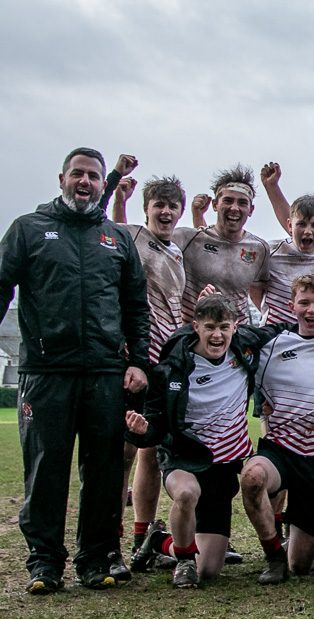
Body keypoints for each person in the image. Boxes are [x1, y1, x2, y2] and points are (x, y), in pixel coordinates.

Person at [0, 147, 150, 594]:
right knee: (45, 470)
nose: (85, 182)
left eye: (94, 177)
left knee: (104, 472)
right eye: (78, 174)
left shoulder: (117, 238)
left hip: (105, 372)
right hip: (46, 371)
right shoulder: (28, 229)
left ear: (104, 185)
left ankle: (94, 559)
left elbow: (135, 308)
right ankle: (44, 563)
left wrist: (138, 361)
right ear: (62, 178)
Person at [126, 293, 287, 588]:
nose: (217, 335)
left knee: (211, 570)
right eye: (210, 327)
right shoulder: (172, 369)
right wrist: (139, 432)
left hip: (225, 465)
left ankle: (158, 541)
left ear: (235, 328)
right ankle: (184, 563)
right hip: (184, 458)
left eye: (224, 327)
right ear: (195, 327)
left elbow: (280, 329)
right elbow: (157, 425)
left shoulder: (243, 348)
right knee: (186, 494)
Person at [239, 274, 314, 584]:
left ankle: (292, 546)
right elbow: (240, 372)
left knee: (301, 567)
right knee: (252, 479)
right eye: (304, 302)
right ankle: (273, 554)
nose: (312, 309)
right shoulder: (271, 347)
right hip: (280, 451)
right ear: (292, 307)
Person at [110, 174, 193, 574]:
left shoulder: (175, 250)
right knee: (121, 452)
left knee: (149, 449)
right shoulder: (133, 235)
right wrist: (118, 196)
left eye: (171, 206)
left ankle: (143, 536)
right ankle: (110, 542)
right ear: (146, 209)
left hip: (164, 363)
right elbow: (117, 233)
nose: (165, 212)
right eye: (158, 205)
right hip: (132, 359)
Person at [175, 165, 270, 324]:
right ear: (215, 204)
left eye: (242, 203)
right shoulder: (188, 238)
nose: (234, 208)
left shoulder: (259, 249)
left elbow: (259, 290)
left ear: (251, 209)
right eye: (228, 200)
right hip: (193, 335)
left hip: (236, 336)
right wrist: (120, 202)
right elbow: (132, 243)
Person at [256, 162, 314, 324]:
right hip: (277, 333)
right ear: (290, 226)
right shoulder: (271, 251)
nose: (308, 231)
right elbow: (254, 288)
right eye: (301, 225)